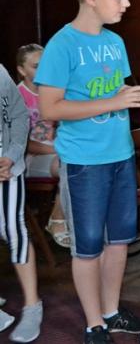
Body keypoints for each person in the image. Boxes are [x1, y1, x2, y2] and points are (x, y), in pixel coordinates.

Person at [35, 0, 140, 344]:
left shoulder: (115, 43)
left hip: (121, 154)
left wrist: (130, 94)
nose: (126, 4)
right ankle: (93, 325)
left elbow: (112, 91)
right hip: (84, 162)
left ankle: (111, 312)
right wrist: (114, 102)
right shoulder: (62, 45)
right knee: (87, 247)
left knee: (119, 241)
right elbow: (50, 108)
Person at [0, 63, 43, 343]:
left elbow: (18, 114)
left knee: (13, 230)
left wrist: (12, 155)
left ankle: (32, 305)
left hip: (5, 165)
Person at [16, 43, 69, 248]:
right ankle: (58, 219)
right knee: (69, 162)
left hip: (58, 153)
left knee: (81, 160)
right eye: (36, 66)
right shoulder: (16, 97)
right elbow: (20, 144)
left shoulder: (54, 92)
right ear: (22, 70)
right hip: (30, 159)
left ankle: (68, 218)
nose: (44, 69)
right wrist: (56, 149)